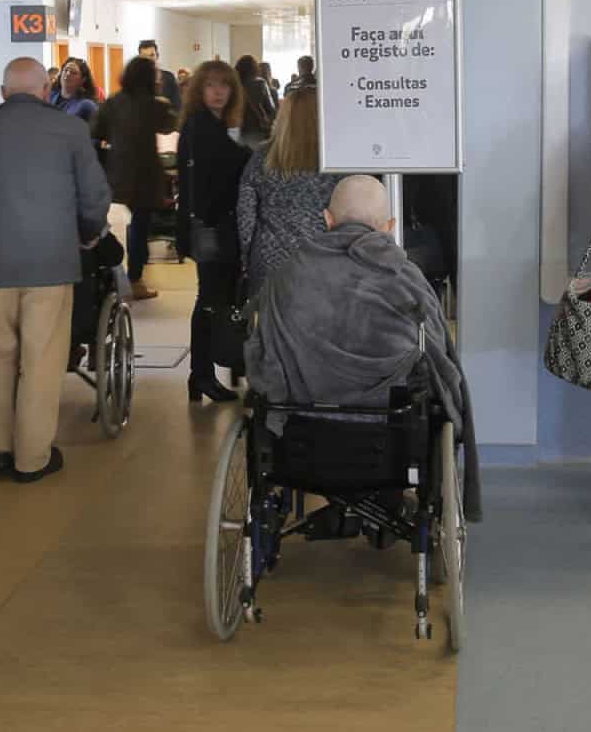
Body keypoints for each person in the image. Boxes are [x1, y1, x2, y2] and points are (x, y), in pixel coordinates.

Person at [245, 175, 482, 523]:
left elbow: (261, 356)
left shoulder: (286, 277)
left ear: (327, 220)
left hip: (298, 442)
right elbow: (438, 361)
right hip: (388, 447)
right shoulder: (405, 278)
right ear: (389, 227)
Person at [0, 57, 110, 483]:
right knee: (41, 361)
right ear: (45, 90)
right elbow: (94, 197)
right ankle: (31, 458)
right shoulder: (71, 130)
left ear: (3, 92)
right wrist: (89, 234)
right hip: (50, 262)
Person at [176, 60, 250, 403]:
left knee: (215, 298)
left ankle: (208, 372)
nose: (219, 92)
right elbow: (232, 164)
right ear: (199, 90)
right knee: (211, 300)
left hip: (214, 225)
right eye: (211, 85)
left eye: (225, 85)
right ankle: (202, 374)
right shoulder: (201, 128)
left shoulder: (216, 126)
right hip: (210, 226)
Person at [237, 88, 339, 295]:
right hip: (323, 257)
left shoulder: (262, 158)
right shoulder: (335, 162)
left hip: (270, 259)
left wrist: (246, 255)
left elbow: (246, 216)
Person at [93, 57, 176, 302]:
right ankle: (135, 280)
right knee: (140, 226)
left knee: (110, 223)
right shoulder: (155, 105)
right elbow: (170, 125)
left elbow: (96, 130)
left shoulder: (113, 102)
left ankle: (109, 272)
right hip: (145, 173)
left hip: (117, 171)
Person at [235, 55, 277, 148]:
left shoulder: (234, 84)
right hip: (257, 130)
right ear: (254, 68)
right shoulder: (260, 83)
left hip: (236, 130)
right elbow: (272, 109)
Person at [137, 39, 183, 107]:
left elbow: (178, 106)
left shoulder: (169, 78)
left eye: (151, 55)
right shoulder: (135, 80)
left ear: (157, 56)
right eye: (144, 56)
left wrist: (165, 104)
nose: (148, 59)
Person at [51, 57, 99, 122]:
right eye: (65, 70)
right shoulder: (49, 96)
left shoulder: (87, 105)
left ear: (83, 80)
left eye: (73, 73)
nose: (67, 74)